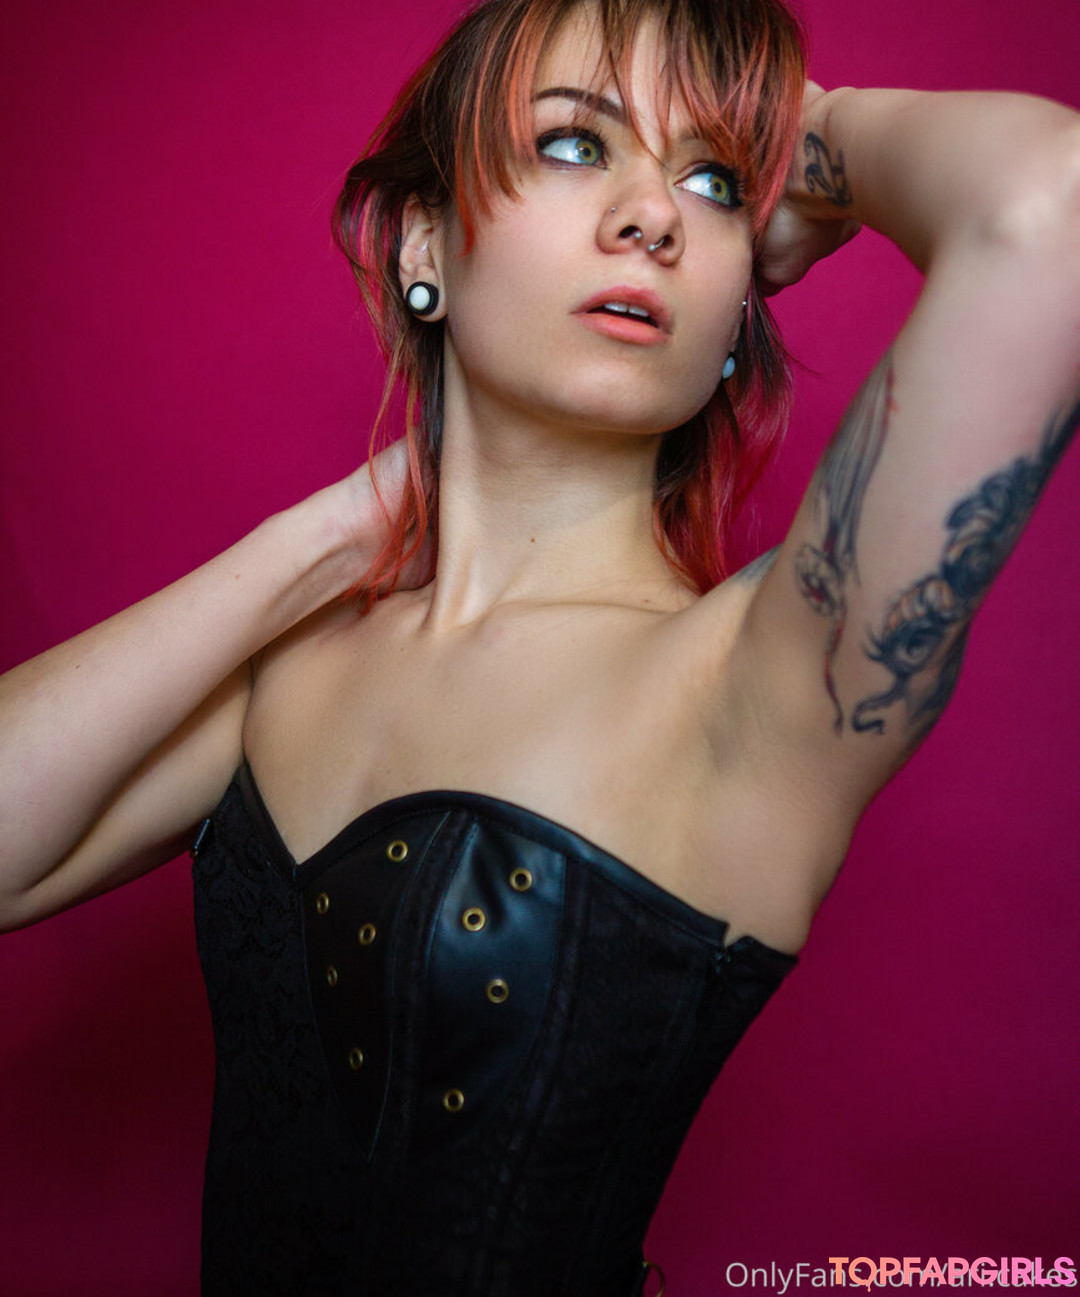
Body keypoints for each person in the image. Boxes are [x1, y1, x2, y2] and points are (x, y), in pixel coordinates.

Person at [1, 0, 1077, 1292]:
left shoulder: (759, 682)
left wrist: (816, 141)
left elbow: (1051, 205)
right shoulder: (287, 668)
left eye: (712, 184)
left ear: (741, 305)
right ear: (425, 244)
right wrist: (334, 536)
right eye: (576, 145)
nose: (652, 216)